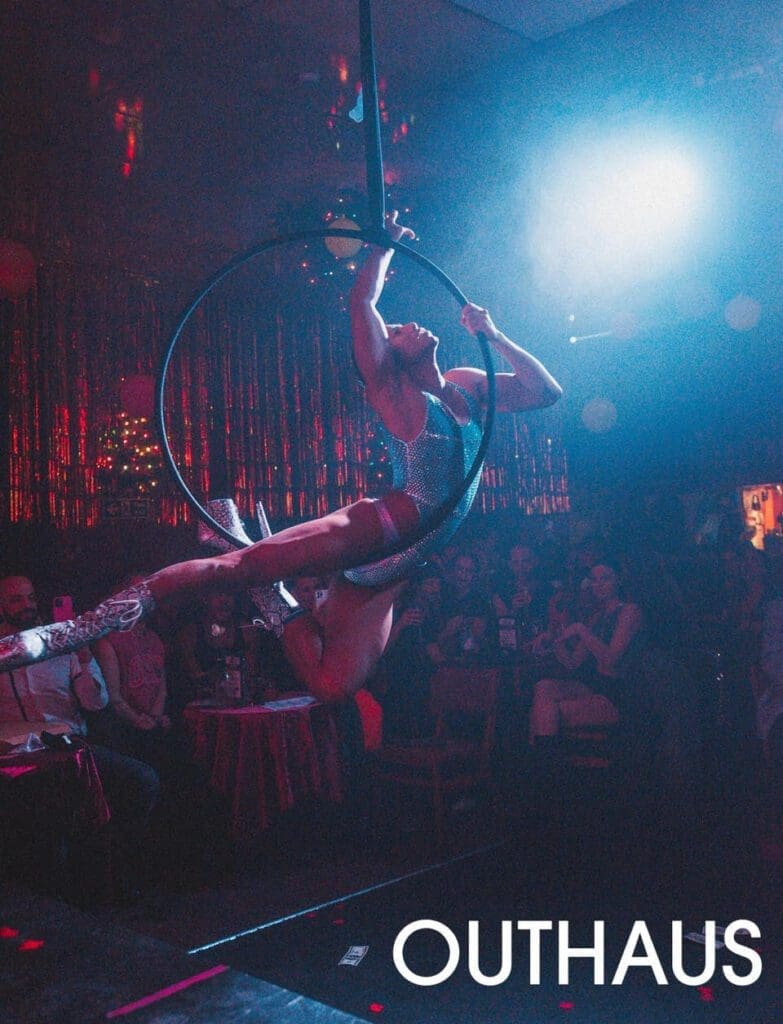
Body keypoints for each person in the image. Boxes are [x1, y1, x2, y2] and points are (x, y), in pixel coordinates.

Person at [0, 212, 562, 703]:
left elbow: (546, 394)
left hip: (397, 568)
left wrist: (495, 333)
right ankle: (70, 631)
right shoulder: (400, 398)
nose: (406, 324)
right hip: (384, 529)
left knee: (332, 686)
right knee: (235, 568)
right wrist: (380, 250)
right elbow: (363, 303)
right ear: (393, 356)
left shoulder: (466, 388)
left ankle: (273, 600)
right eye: (395, 330)